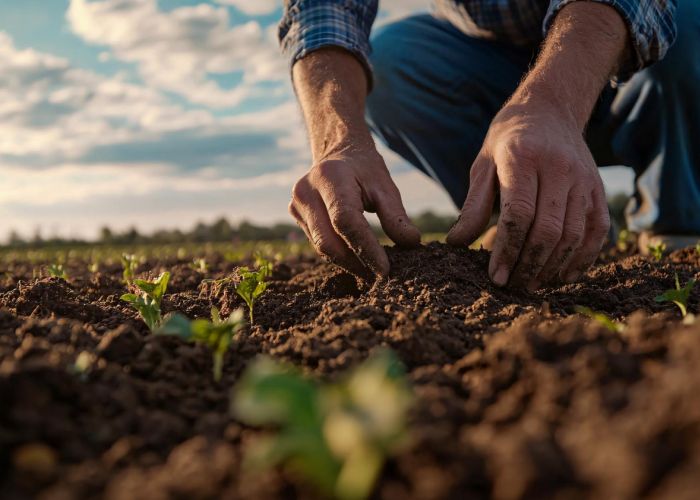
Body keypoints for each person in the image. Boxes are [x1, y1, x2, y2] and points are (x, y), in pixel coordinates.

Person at [279, 0, 696, 291]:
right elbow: (325, 9)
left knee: (685, 31)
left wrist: (548, 102)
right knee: (393, 62)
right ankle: (527, 213)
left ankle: (679, 220)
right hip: (493, 65)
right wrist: (337, 140)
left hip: (629, 47)